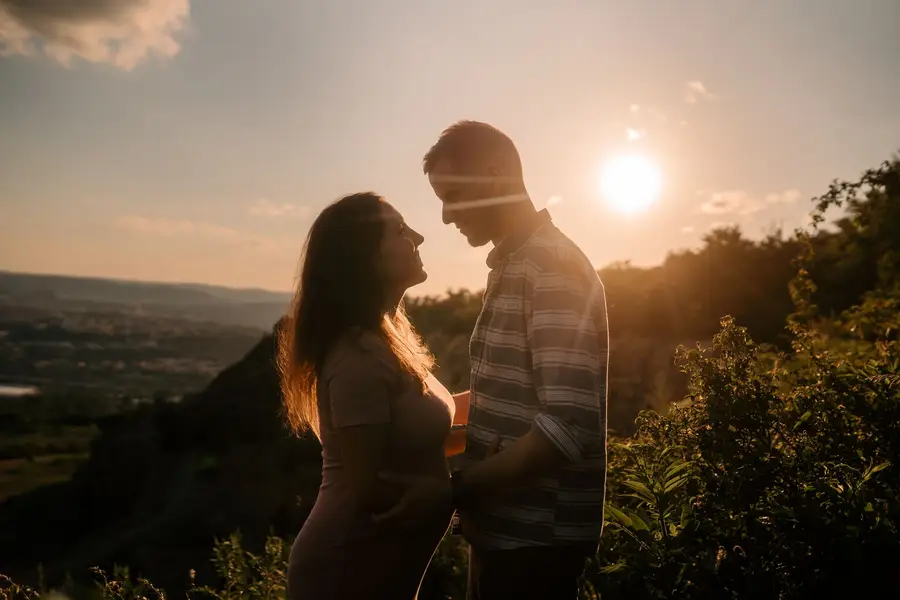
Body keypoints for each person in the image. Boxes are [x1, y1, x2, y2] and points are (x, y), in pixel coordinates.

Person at [377, 121, 609, 600]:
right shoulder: (515, 263)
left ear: (497, 173)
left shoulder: (552, 267)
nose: (443, 218)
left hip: (534, 547)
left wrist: (453, 490)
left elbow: (568, 426)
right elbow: (512, 399)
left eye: (453, 194)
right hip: (508, 538)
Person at [277, 192, 459, 600]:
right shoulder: (357, 354)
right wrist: (456, 490)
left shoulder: (388, 335)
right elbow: (368, 485)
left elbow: (410, 442)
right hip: (346, 568)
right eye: (398, 230)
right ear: (364, 258)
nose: (419, 237)